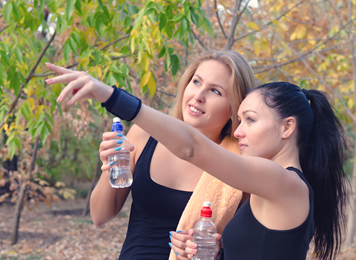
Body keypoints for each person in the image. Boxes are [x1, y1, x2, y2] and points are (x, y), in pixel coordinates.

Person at [46, 74, 348, 260]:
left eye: (251, 120)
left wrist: (111, 97)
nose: (239, 132)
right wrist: (214, 251)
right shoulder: (272, 186)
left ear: (287, 128)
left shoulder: (282, 181)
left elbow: (192, 147)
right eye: (240, 121)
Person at [45, 50, 256, 259]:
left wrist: (216, 251)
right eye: (196, 82)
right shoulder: (144, 135)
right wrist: (112, 168)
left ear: (235, 107)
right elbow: (99, 216)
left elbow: (250, 247)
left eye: (215, 91)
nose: (198, 96)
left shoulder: (239, 164)